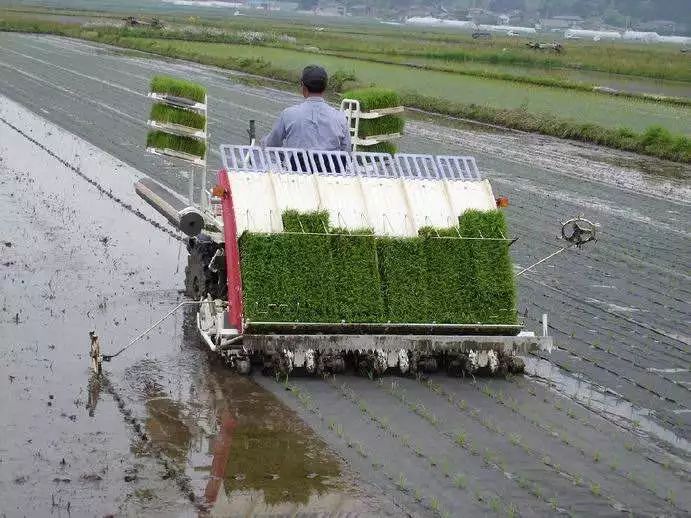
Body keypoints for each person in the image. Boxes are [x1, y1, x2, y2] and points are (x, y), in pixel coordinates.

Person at [262, 65, 352, 153]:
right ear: (325, 88)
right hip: (329, 167)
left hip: (296, 167)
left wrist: (263, 141)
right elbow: (347, 152)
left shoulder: (288, 114)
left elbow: (271, 145)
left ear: (303, 86)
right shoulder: (340, 118)